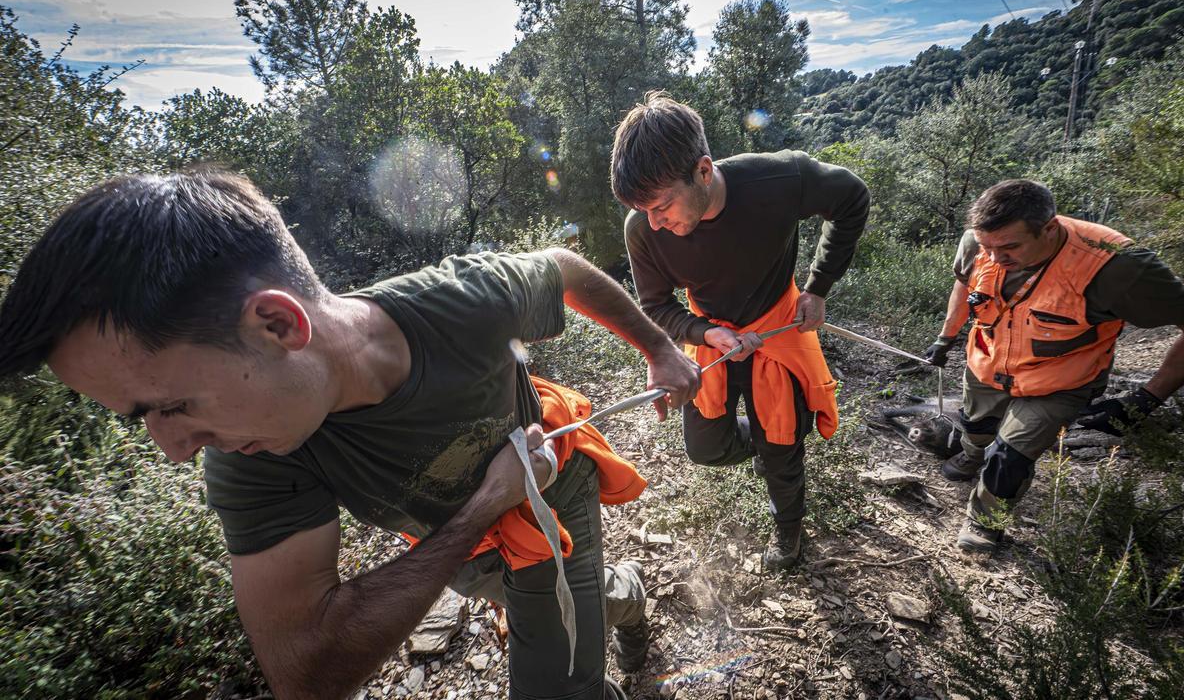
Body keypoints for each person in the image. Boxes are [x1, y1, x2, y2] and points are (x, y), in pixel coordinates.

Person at [0, 168, 701, 700]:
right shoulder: (249, 452)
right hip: (466, 541)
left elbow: (567, 270)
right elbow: (304, 669)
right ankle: (625, 593)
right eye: (139, 417)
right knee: (556, 593)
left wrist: (661, 350)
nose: (173, 447)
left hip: (555, 488)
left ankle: (604, 613)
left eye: (172, 404)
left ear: (277, 325)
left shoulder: (459, 301)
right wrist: (484, 504)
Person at [610, 92, 870, 569]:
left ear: (703, 171)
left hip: (780, 328)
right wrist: (704, 332)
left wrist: (819, 287)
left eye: (662, 205)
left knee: (783, 451)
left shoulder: (780, 180)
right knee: (705, 448)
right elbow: (655, 305)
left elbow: (852, 198)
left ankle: (788, 529)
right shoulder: (643, 228)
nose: (656, 223)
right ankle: (771, 443)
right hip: (713, 340)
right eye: (643, 210)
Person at [924, 179, 1184, 553]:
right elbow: (964, 284)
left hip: (1060, 379)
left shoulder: (1118, 268)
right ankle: (972, 454)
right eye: (988, 247)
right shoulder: (978, 242)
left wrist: (1146, 398)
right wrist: (946, 337)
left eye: (1010, 247)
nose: (995, 257)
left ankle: (986, 520)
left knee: (1011, 455)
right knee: (977, 426)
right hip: (988, 361)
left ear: (1050, 228)